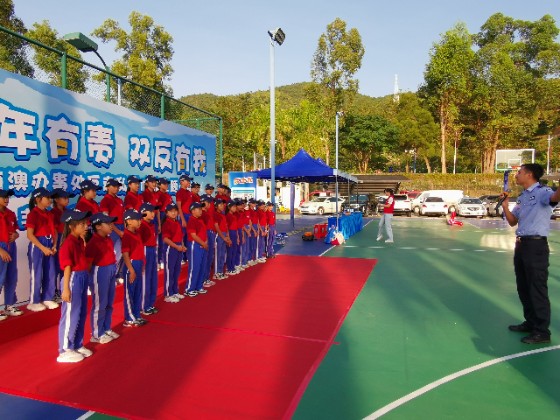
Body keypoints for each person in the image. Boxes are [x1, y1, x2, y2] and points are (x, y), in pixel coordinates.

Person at [501, 163, 560, 344]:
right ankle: (531, 322)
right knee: (524, 286)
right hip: (521, 245)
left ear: (529, 174)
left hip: (536, 246)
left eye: (519, 172)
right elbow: (513, 221)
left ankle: (542, 331)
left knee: (536, 288)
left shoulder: (543, 192)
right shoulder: (522, 197)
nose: (516, 175)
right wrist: (505, 206)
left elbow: (555, 197)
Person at [57, 209, 92, 363]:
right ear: (72, 226)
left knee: (81, 312)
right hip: (73, 279)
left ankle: (77, 344)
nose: (86, 226)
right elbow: (67, 267)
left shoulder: (79, 241)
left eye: (85, 223)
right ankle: (65, 349)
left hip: (82, 277)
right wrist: (66, 288)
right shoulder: (68, 243)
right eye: (82, 224)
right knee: (71, 314)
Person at [86, 212, 120, 344]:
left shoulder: (108, 239)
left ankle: (106, 328)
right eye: (108, 223)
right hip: (99, 272)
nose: (111, 226)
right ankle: (97, 333)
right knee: (100, 304)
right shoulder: (93, 243)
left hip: (110, 270)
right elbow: (88, 264)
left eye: (112, 223)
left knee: (109, 303)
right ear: (98, 226)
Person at [26, 187, 58, 312]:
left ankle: (47, 298)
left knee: (51, 272)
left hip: (49, 244)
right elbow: (30, 235)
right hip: (38, 245)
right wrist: (43, 248)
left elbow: (54, 231)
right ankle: (34, 301)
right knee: (37, 274)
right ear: (38, 199)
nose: (50, 200)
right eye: (47, 198)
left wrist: (54, 245)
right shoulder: (33, 214)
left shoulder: (50, 214)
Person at [121, 209, 147, 327]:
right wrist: (131, 270)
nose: (140, 221)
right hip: (131, 265)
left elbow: (140, 250)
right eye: (137, 219)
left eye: (140, 219)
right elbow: (125, 254)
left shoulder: (137, 233)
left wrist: (142, 264)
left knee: (137, 291)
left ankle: (136, 314)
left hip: (138, 263)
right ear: (129, 221)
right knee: (129, 293)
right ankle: (129, 318)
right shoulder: (126, 235)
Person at [51, 188, 76, 300]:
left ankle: (64, 289)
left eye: (67, 198)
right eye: (64, 198)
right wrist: (56, 244)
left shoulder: (68, 211)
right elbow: (54, 230)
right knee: (56, 267)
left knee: (67, 266)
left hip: (68, 238)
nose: (67, 200)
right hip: (58, 240)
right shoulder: (53, 213)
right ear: (56, 200)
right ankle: (55, 291)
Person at [0, 189, 22, 318]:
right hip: (1, 248)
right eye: (3, 197)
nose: (6, 199)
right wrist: (1, 250)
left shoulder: (10, 214)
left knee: (11, 276)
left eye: (7, 197)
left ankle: (9, 305)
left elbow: (16, 231)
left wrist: (16, 235)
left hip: (11, 247)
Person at [161, 203, 186, 303]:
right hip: (170, 249)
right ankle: (168, 294)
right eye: (171, 211)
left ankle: (175, 291)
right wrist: (176, 246)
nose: (174, 213)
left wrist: (182, 245)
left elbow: (181, 236)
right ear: (167, 213)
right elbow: (166, 239)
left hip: (178, 247)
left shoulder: (177, 222)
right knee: (169, 272)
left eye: (175, 211)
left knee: (176, 271)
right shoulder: (167, 223)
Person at [138, 203, 159, 315]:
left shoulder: (151, 224)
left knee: (153, 278)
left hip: (152, 249)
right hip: (145, 250)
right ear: (143, 212)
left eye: (153, 211)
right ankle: (144, 306)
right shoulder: (141, 225)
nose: (153, 213)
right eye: (150, 211)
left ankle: (150, 303)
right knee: (145, 278)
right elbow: (139, 243)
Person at [185, 202, 208, 297]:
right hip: (195, 245)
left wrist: (205, 242)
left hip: (202, 245)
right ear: (193, 211)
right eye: (198, 209)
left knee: (202, 266)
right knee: (194, 267)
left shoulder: (200, 220)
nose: (201, 211)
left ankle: (199, 286)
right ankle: (189, 289)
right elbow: (193, 235)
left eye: (201, 209)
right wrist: (203, 243)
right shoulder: (191, 221)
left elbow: (204, 233)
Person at [99, 178, 125, 264]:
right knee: (112, 252)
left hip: (122, 227)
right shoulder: (105, 200)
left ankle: (116, 271)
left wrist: (124, 229)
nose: (116, 188)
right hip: (112, 228)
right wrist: (118, 231)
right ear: (107, 187)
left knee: (121, 252)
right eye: (114, 186)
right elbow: (106, 219)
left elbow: (123, 216)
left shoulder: (119, 200)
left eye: (117, 186)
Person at [213, 199, 231, 280]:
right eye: (220, 205)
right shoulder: (215, 215)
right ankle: (216, 272)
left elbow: (226, 226)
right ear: (216, 206)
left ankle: (220, 271)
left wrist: (227, 236)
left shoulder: (223, 215)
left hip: (224, 235)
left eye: (222, 205)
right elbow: (216, 227)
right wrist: (223, 237)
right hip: (219, 236)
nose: (222, 206)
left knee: (222, 254)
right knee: (218, 254)